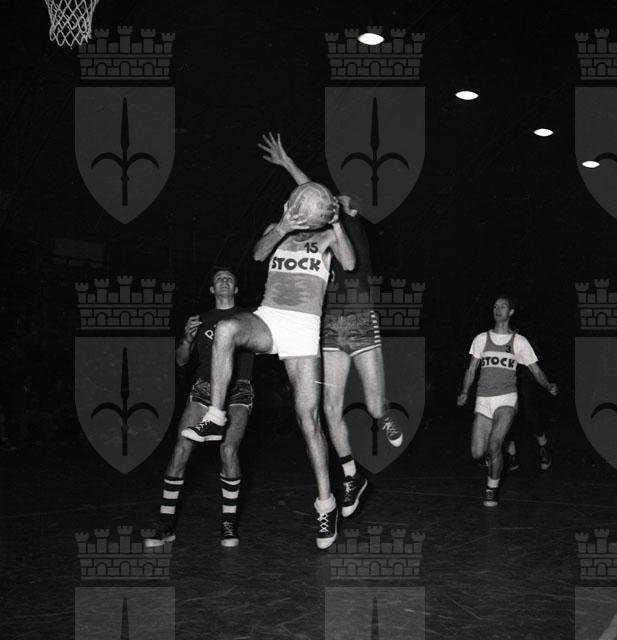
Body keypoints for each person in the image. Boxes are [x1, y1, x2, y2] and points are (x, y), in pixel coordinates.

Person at [182, 182, 355, 549]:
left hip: (304, 329)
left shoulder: (326, 237)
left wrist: (337, 222)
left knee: (308, 421)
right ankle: (215, 415)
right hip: (270, 318)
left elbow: (351, 262)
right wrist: (282, 226)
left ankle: (326, 504)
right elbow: (259, 254)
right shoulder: (278, 231)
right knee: (226, 329)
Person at [257, 132, 403, 519]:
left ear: (349, 210)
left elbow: (319, 196)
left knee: (374, 406)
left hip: (360, 319)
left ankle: (384, 415)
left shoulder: (349, 226)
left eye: (338, 201)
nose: (331, 201)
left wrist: (293, 168)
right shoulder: (314, 231)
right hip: (327, 326)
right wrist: (287, 163)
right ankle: (351, 474)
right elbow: (310, 194)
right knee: (329, 408)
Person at [145, 268, 254, 548]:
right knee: (181, 448)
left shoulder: (250, 317)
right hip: (204, 388)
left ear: (236, 288)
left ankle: (228, 523)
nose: (224, 280)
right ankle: (165, 524)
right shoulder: (200, 320)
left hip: (238, 388)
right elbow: (181, 360)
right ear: (212, 289)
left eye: (230, 278)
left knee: (228, 450)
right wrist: (187, 340)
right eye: (219, 278)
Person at [457, 296, 558, 507]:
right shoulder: (481, 339)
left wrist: (548, 386)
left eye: (503, 306)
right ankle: (497, 456)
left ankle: (491, 490)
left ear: (511, 312)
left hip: (507, 399)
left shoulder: (519, 342)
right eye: (495, 306)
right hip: (483, 400)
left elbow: (535, 370)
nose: (498, 309)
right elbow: (471, 369)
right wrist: (465, 391)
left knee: (495, 444)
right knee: (477, 452)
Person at [504, 331, 553, 472]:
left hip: (525, 371)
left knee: (528, 408)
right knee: (505, 412)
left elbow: (535, 364)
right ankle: (512, 454)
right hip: (504, 372)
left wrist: (547, 384)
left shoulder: (523, 334)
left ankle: (543, 446)